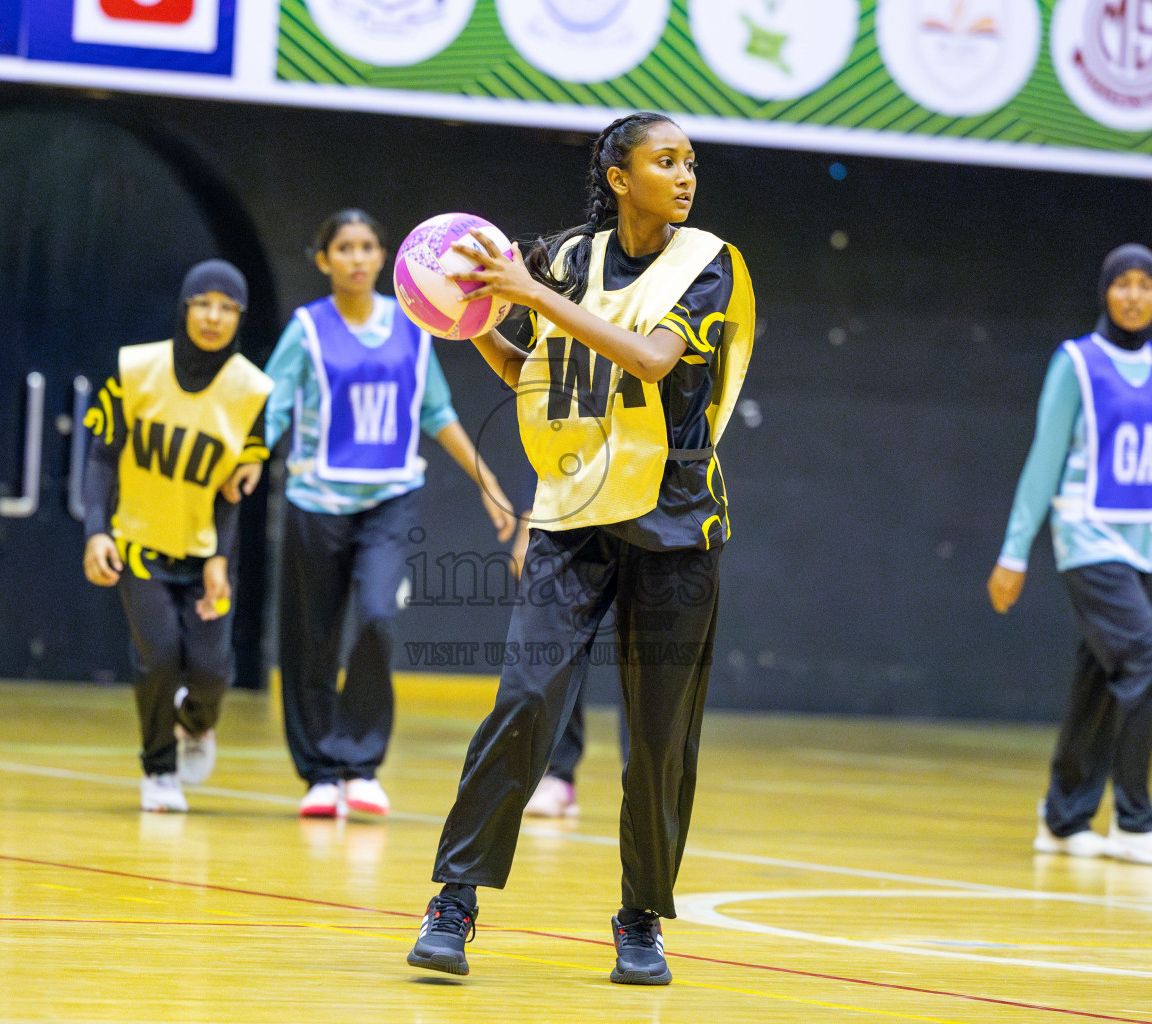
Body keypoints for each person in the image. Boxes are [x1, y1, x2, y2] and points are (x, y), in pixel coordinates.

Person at [406, 111, 755, 985]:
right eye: (665, 160)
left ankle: (641, 919)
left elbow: (645, 359)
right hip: (571, 517)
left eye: (690, 162)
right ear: (616, 174)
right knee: (524, 699)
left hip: (676, 527)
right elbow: (530, 367)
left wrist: (529, 297)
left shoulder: (706, 263)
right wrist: (466, 318)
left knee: (659, 737)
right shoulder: (560, 258)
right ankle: (454, 898)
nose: (685, 175)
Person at [232, 209, 515, 820]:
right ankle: (318, 774)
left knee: (379, 617)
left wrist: (487, 480)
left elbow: (436, 413)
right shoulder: (306, 330)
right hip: (316, 502)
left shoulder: (414, 328)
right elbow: (275, 405)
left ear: (385, 257)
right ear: (324, 260)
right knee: (312, 640)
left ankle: (359, 764)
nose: (357, 257)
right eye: (345, 247)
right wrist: (254, 454)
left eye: (367, 246)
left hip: (388, 501)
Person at [987, 243, 1152, 866]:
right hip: (1086, 537)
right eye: (1123, 283)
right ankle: (1134, 821)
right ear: (1105, 292)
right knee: (1148, 664)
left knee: (1101, 681)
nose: (1134, 294)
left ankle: (1063, 818)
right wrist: (1014, 552)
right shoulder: (1076, 363)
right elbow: (1044, 459)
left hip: (1144, 542)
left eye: (1147, 285)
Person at [81, 259, 273, 813]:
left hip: (207, 553)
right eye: (202, 303)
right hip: (139, 544)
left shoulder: (252, 392)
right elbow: (101, 454)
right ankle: (159, 769)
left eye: (227, 307)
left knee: (213, 673)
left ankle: (196, 725)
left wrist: (218, 558)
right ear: (184, 308)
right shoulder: (136, 369)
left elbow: (233, 492)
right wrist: (97, 532)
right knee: (159, 656)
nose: (213, 316)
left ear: (239, 317)